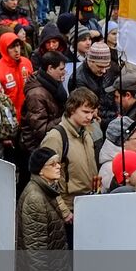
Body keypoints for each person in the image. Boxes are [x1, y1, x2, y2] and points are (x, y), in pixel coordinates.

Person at [40, 88, 100, 230]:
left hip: (87, 203)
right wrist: (64, 211)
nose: (90, 117)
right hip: (69, 209)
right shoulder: (56, 137)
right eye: (85, 112)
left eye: (92, 112)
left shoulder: (86, 133)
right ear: (72, 109)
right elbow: (45, 178)